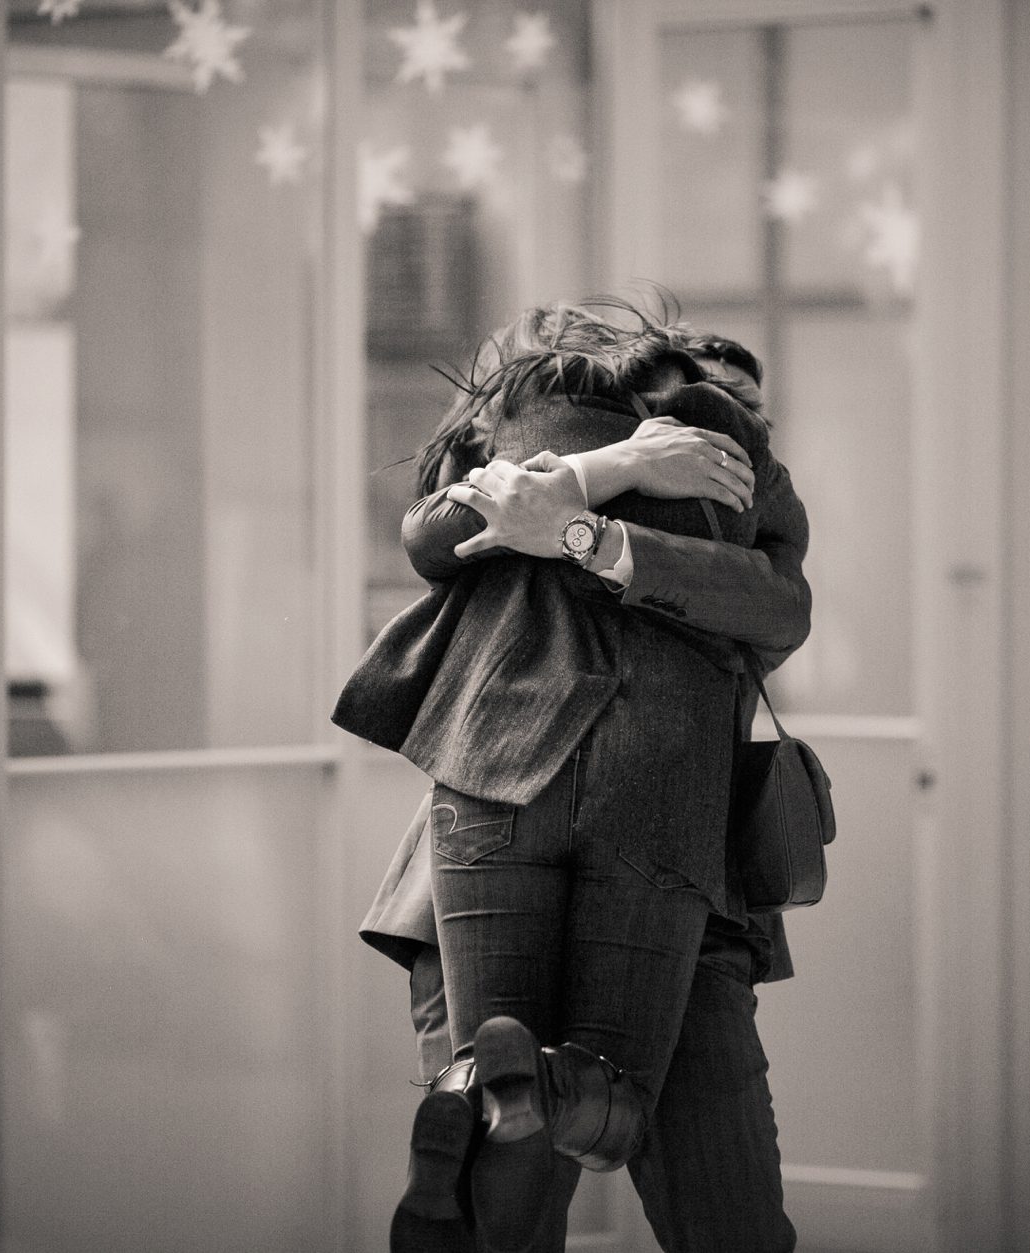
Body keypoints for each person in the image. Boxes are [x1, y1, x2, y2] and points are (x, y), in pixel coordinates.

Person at [334, 302, 810, 1252]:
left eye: (745, 410)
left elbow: (774, 609)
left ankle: (504, 1098)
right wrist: (610, 471)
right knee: (509, 1197)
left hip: (691, 884)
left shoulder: (719, 494)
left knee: (718, 1211)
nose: (725, 420)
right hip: (508, 846)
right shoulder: (547, 440)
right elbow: (432, 534)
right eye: (703, 391)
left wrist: (586, 534)